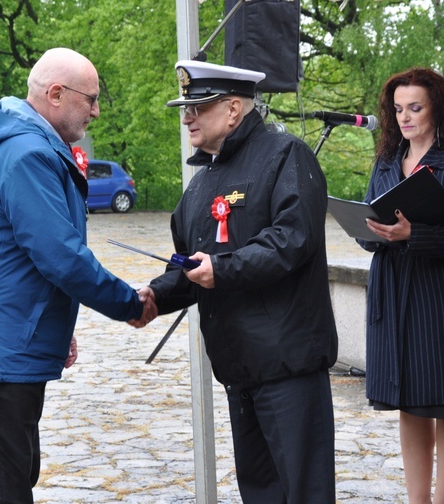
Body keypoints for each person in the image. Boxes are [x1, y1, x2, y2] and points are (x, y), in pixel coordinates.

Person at [0, 47, 156, 503]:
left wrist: (58, 325)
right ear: (56, 94)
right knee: (6, 489)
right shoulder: (27, 154)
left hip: (6, 343)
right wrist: (131, 304)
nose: (96, 111)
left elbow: (28, 258)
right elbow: (60, 257)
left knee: (13, 477)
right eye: (90, 99)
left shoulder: (27, 146)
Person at [138, 60, 339, 503]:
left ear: (233, 109)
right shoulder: (200, 182)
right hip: (238, 366)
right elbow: (190, 267)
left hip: (288, 365)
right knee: (260, 493)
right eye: (185, 107)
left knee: (305, 493)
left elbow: (292, 240)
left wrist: (221, 270)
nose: (186, 116)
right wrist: (155, 294)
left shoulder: (287, 155)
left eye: (197, 106)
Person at [358, 67, 444, 504]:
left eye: (415, 107)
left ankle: (443, 501)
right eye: (397, 109)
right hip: (391, 291)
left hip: (439, 295)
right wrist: (365, 230)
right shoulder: (385, 161)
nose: (404, 117)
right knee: (410, 402)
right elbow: (371, 221)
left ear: (439, 108)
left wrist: (412, 234)